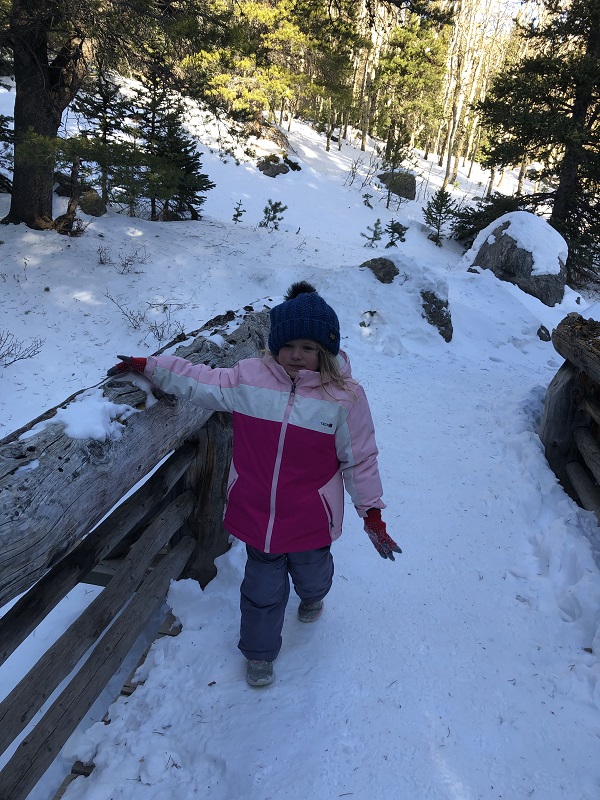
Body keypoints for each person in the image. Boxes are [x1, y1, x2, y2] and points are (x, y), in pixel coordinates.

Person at [109, 281, 401, 687]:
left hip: (311, 519)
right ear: (275, 345)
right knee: (261, 590)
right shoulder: (250, 380)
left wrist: (371, 513)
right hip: (257, 513)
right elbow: (201, 380)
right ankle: (260, 654)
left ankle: (314, 596)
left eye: (309, 347)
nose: (296, 355)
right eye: (289, 346)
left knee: (311, 575)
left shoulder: (344, 398)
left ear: (327, 352)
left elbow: (361, 458)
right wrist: (153, 367)